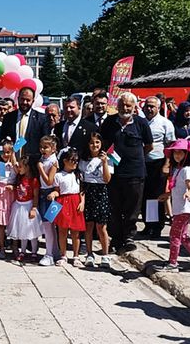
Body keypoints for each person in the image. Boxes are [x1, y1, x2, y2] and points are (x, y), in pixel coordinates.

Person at [100, 92, 153, 253]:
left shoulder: (141, 123)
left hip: (135, 172)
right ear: (117, 106)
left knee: (133, 207)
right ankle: (116, 237)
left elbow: (149, 145)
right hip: (114, 173)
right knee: (115, 207)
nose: (125, 108)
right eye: (122, 105)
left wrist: (136, 157)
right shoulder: (110, 121)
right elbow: (103, 142)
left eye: (128, 105)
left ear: (134, 107)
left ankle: (129, 236)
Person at [153, 139, 190, 273]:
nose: (177, 155)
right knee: (182, 236)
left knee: (174, 235)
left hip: (184, 208)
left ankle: (173, 263)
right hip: (180, 208)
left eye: (180, 153)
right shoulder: (178, 170)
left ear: (186, 154)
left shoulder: (187, 170)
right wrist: (166, 195)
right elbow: (175, 188)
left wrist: (189, 193)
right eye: (175, 152)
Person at [142, 96, 176, 238]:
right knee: (145, 196)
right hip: (143, 163)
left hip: (158, 163)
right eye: (147, 106)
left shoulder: (165, 123)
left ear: (158, 107)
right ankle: (148, 224)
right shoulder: (140, 122)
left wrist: (167, 164)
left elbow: (170, 145)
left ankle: (157, 226)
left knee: (157, 196)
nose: (149, 109)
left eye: (152, 106)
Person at [79, 132, 112, 268]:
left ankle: (105, 255)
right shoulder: (83, 160)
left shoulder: (107, 159)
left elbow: (107, 179)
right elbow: (81, 182)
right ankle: (89, 253)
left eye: (97, 142)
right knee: (88, 225)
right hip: (88, 192)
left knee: (101, 226)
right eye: (92, 143)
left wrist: (104, 163)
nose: (95, 145)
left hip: (101, 192)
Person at [49, 148, 85, 268]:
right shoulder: (58, 176)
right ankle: (63, 255)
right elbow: (57, 190)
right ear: (65, 161)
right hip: (63, 202)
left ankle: (76, 256)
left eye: (76, 161)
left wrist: (82, 202)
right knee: (62, 231)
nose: (75, 163)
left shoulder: (78, 175)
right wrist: (53, 194)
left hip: (75, 202)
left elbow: (81, 191)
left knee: (75, 232)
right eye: (72, 160)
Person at [7, 155, 42, 266]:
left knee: (31, 231)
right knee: (22, 231)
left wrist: (34, 208)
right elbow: (14, 163)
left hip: (28, 206)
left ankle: (34, 252)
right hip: (19, 206)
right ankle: (22, 251)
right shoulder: (19, 178)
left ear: (27, 167)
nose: (19, 169)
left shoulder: (34, 180)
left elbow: (36, 196)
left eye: (21, 167)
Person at [0, 87, 50, 156]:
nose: (24, 102)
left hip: (32, 162)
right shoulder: (8, 117)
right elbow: (2, 138)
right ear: (18, 98)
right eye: (22, 99)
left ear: (33, 101)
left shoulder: (42, 119)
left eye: (28, 100)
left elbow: (45, 142)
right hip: (11, 160)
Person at [36, 136, 59, 266]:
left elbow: (49, 181)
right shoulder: (44, 159)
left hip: (49, 194)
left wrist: (40, 168)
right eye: (42, 147)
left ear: (53, 148)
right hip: (42, 193)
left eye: (46, 147)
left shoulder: (53, 162)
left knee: (48, 225)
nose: (43, 150)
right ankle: (54, 250)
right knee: (48, 225)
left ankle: (49, 254)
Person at [0, 138, 16, 259]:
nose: (5, 155)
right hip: (1, 193)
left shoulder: (14, 165)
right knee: (1, 222)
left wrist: (14, 159)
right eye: (3, 152)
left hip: (12, 194)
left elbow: (18, 174)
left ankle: (14, 247)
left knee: (13, 220)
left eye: (8, 152)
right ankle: (1, 247)